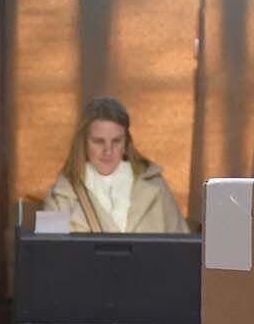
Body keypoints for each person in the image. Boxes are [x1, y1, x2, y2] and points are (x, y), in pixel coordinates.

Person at [41, 96, 189, 233]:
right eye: (99, 141)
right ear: (83, 143)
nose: (108, 151)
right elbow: (48, 255)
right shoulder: (60, 194)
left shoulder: (156, 186)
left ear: (126, 142)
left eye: (116, 141)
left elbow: (183, 250)